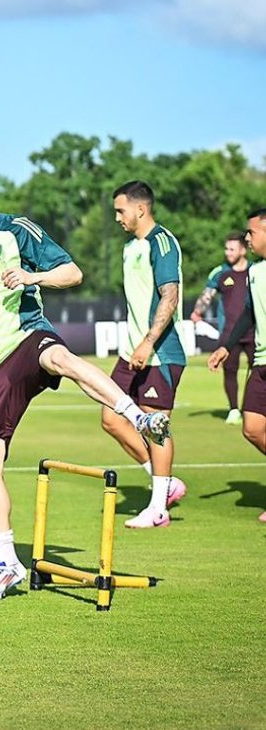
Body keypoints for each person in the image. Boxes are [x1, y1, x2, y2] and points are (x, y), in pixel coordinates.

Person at [0, 165, 171, 601]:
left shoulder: (16, 230)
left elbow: (72, 273)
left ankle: (135, 416)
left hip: (26, 334)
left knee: (60, 357)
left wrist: (32, 277)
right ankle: (8, 562)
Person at [104, 181, 187, 529]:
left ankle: (157, 509)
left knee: (157, 428)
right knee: (111, 418)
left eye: (121, 211)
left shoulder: (162, 242)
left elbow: (170, 295)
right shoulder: (128, 247)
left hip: (160, 352)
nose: (118, 218)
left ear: (140, 209)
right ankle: (164, 481)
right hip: (131, 352)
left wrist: (149, 341)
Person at [208, 208, 266, 522]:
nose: (247, 238)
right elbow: (249, 314)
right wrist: (225, 348)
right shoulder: (255, 272)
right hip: (261, 362)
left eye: (252, 233)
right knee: (252, 428)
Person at [193, 231, 255, 424]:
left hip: (256, 332)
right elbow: (207, 294)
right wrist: (197, 312)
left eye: (232, 249)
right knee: (230, 371)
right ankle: (234, 409)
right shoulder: (220, 272)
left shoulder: (256, 270)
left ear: (243, 250)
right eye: (226, 248)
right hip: (229, 334)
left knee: (258, 372)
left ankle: (253, 408)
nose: (227, 252)